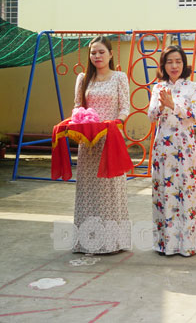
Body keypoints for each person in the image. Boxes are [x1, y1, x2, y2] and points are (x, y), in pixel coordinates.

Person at [72, 36, 131, 254]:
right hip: (88, 143)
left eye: (101, 52)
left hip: (110, 140)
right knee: (88, 190)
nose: (97, 56)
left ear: (110, 54)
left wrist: (115, 123)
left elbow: (125, 108)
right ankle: (87, 241)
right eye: (93, 53)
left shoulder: (119, 78)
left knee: (110, 190)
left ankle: (112, 242)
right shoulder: (83, 78)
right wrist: (78, 124)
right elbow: (77, 107)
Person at [147, 46, 196, 257]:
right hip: (163, 146)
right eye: (169, 61)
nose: (174, 66)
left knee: (185, 191)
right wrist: (162, 106)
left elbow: (192, 116)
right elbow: (151, 116)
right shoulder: (157, 87)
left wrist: (174, 105)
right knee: (164, 192)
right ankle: (165, 244)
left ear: (184, 63)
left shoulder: (194, 87)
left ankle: (187, 244)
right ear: (163, 65)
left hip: (185, 146)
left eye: (178, 61)